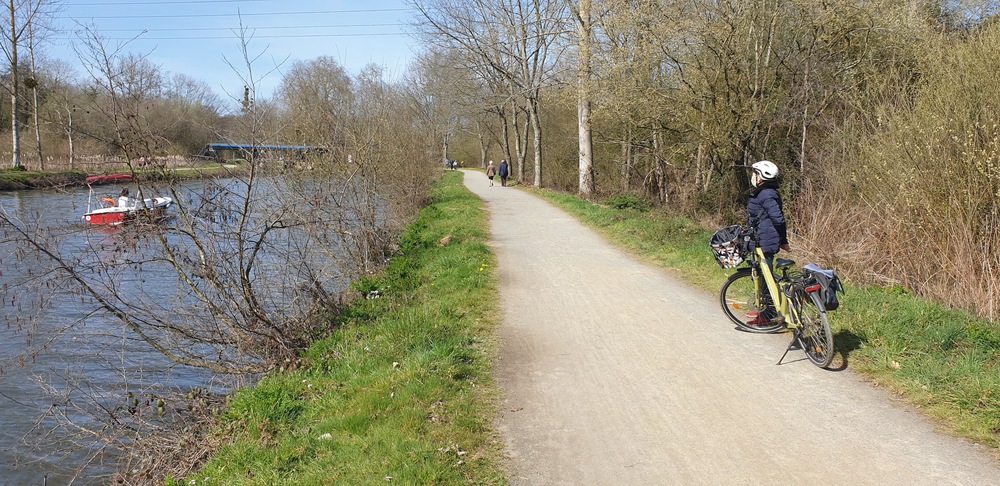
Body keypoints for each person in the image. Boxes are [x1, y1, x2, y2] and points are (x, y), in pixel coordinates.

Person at [746, 160, 790, 326]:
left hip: (765, 241)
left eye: (754, 173)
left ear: (761, 176)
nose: (752, 176)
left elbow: (778, 219)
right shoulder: (765, 192)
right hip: (761, 239)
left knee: (766, 278)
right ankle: (763, 309)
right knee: (761, 275)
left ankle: (768, 314)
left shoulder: (766, 194)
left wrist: (783, 241)